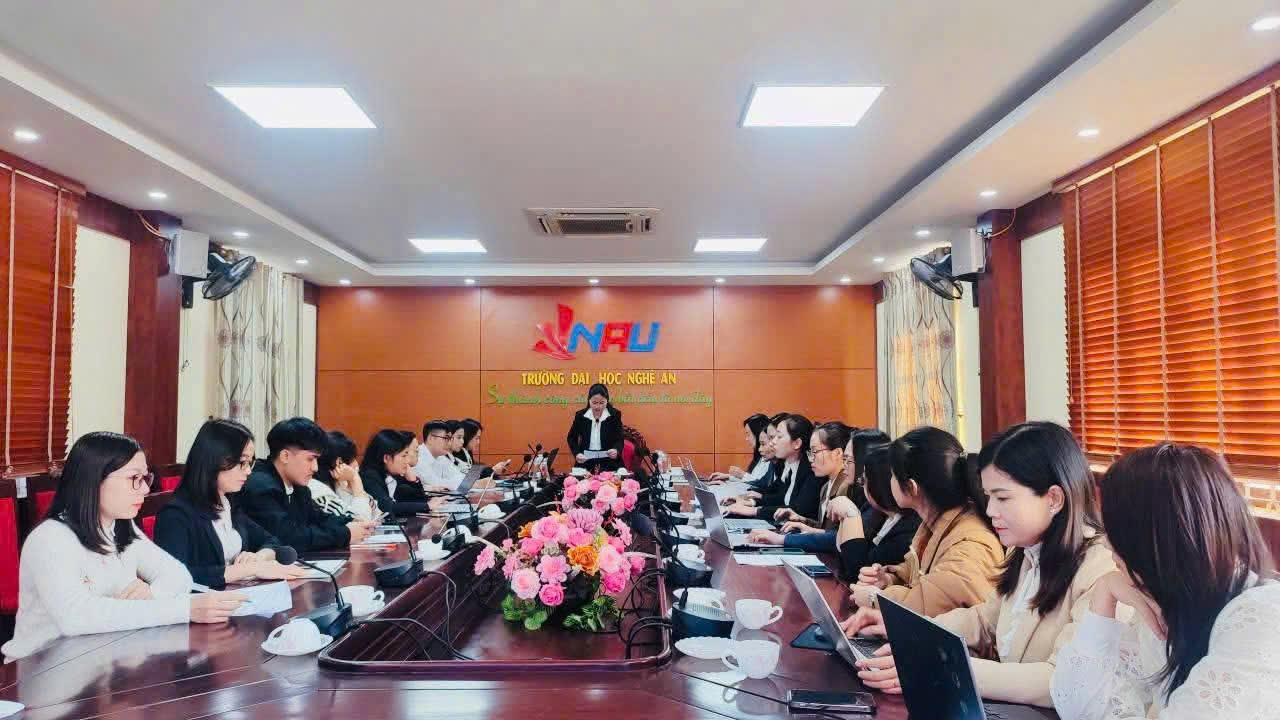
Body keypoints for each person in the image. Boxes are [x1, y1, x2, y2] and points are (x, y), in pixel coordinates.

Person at [845, 422, 1116, 707]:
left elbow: (1063, 680)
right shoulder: (1027, 552)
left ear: (1054, 499)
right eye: (989, 497)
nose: (990, 510)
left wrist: (945, 666)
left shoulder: (1100, 570)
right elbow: (985, 621)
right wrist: (909, 630)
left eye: (1003, 498)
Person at [1051, 443, 1280, 718]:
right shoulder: (1167, 603)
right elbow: (1079, 708)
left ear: (1154, 537)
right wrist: (1104, 594)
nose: (1107, 542)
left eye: (1115, 528)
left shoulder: (1262, 616)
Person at [2, 432, 246, 660]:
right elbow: (76, 617)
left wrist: (151, 596)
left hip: (99, 658)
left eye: (145, 478)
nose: (146, 489)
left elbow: (178, 575)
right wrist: (184, 609)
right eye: (134, 479)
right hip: (41, 668)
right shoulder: (50, 539)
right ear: (93, 481)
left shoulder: (121, 526)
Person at [842, 426, 1002, 616]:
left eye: (892, 475)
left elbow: (929, 601)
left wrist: (874, 598)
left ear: (911, 487)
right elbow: (917, 571)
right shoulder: (938, 522)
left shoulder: (970, 545)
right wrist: (888, 579)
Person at [155, 419, 307, 590]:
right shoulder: (176, 515)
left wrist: (260, 557)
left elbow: (273, 542)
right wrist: (247, 570)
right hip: (203, 603)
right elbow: (174, 577)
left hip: (236, 596)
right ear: (214, 460)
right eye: (242, 462)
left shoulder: (227, 504)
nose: (248, 471)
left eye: (250, 463)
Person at [241, 417, 373, 552]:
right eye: (310, 459)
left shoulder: (299, 487)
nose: (315, 468)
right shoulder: (260, 487)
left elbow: (319, 519)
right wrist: (346, 534)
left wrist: (353, 523)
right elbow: (290, 538)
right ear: (285, 456)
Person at [834, 443, 920, 577]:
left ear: (880, 485)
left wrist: (851, 514)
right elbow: (844, 560)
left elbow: (858, 572)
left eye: (864, 480)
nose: (862, 485)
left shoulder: (911, 528)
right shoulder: (877, 513)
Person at [724, 414, 819, 523]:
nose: (772, 442)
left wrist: (754, 510)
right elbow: (782, 497)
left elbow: (798, 509)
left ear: (797, 443)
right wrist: (752, 502)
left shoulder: (811, 470)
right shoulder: (791, 467)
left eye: (778, 437)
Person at [362, 429, 447, 516]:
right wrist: (427, 506)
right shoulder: (369, 476)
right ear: (387, 458)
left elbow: (418, 500)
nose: (407, 461)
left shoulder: (394, 474)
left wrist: (413, 481)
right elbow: (387, 507)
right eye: (403, 456)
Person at [310, 431, 379, 522]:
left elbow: (377, 515)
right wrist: (355, 479)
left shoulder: (338, 484)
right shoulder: (320, 493)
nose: (356, 464)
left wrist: (351, 488)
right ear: (339, 462)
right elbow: (360, 523)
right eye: (353, 459)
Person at [566, 383, 624, 472]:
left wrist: (616, 450)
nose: (598, 406)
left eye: (602, 403)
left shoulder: (614, 415)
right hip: (585, 460)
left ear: (607, 401)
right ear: (589, 401)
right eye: (594, 403)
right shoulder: (581, 416)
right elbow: (571, 438)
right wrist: (577, 454)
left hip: (609, 461)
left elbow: (619, 438)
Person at [708, 413, 771, 483]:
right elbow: (756, 483)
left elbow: (762, 485)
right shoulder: (760, 457)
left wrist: (742, 475)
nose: (747, 439)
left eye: (748, 434)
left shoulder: (770, 458)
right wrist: (728, 477)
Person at [414, 419, 467, 491]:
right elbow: (435, 483)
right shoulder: (417, 457)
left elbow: (461, 478)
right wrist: (450, 482)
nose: (449, 443)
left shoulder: (441, 457)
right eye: (445, 438)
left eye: (450, 439)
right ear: (431, 438)